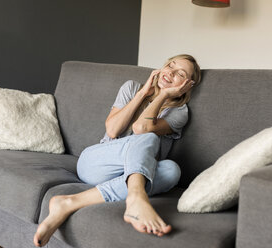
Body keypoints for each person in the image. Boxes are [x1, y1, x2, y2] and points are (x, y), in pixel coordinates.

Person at [33, 54, 202, 247]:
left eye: (180, 73)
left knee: (172, 170)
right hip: (96, 164)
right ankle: (137, 198)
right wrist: (142, 94)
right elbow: (113, 130)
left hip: (125, 177)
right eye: (170, 65)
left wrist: (164, 95)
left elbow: (142, 127)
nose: (170, 72)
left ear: (188, 85)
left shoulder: (179, 112)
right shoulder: (131, 87)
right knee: (149, 138)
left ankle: (69, 203)